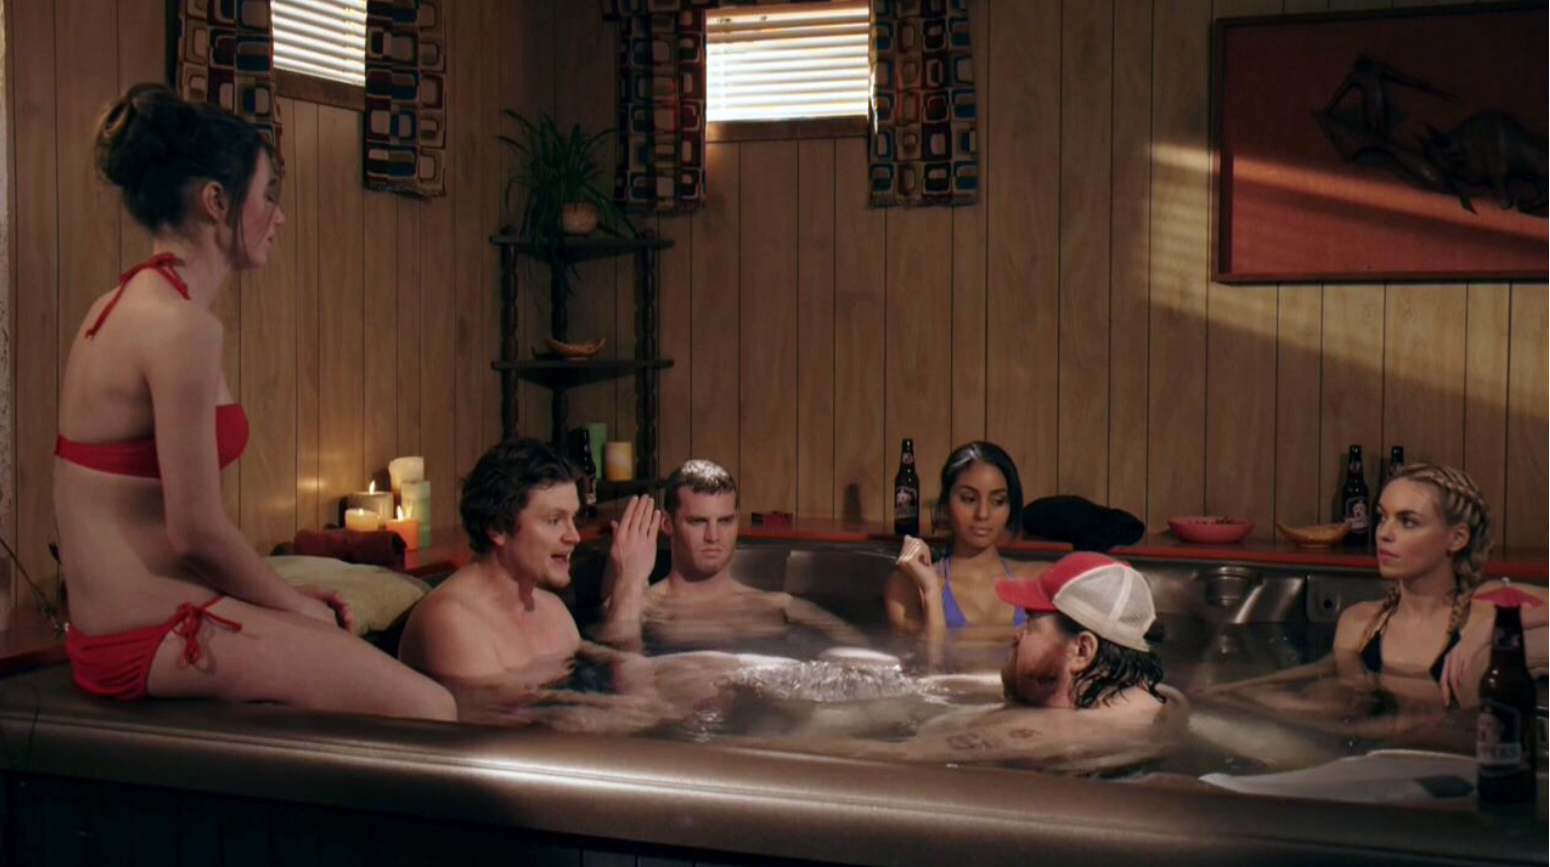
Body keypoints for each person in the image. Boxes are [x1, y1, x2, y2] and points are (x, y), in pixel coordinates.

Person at [55, 84, 453, 719]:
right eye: (269, 194)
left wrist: (284, 600)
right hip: (148, 634)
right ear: (216, 202)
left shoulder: (117, 305)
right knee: (430, 709)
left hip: (124, 619)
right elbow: (195, 531)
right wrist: (294, 606)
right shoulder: (181, 328)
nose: (280, 216)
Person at [735, 553, 1186, 771]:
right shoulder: (1154, 700)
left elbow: (888, 758)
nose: (1016, 633)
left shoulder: (1048, 735)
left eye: (1031, 624)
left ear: (1082, 650)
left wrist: (735, 751)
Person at [1197, 463, 1545, 711]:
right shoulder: (1360, 623)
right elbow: (1350, 703)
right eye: (1382, 517)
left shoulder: (1486, 619)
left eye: (1408, 522)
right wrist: (1235, 690)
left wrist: (1488, 629)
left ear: (1456, 538)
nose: (1384, 534)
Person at [398, 439, 662, 690]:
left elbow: (609, 683)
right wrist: (627, 587)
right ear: (497, 527)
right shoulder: (451, 621)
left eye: (574, 518)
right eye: (554, 520)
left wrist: (629, 587)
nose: (574, 536)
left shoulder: (554, 611)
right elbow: (505, 720)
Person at [599, 460, 865, 650]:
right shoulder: (640, 607)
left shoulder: (777, 605)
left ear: (737, 519)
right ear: (667, 524)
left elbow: (862, 650)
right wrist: (628, 581)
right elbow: (614, 664)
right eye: (698, 521)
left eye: (725, 521)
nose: (713, 536)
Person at [886, 442, 1044, 639]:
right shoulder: (907, 586)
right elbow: (929, 656)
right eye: (969, 499)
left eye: (998, 501)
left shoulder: (1040, 579)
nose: (983, 514)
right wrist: (931, 591)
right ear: (945, 503)